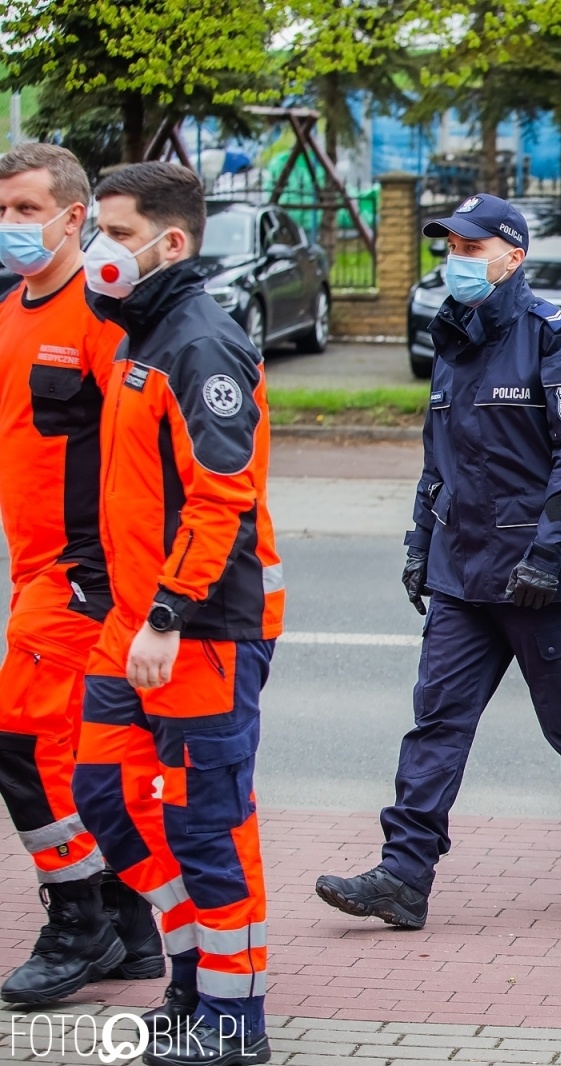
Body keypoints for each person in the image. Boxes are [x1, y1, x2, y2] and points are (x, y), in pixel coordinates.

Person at [316, 193, 561, 932]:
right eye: (449, 249)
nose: (455, 262)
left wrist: (547, 556)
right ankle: (404, 874)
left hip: (541, 579)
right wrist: (416, 546)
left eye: (470, 249)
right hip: (461, 572)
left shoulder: (554, 339)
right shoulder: (454, 339)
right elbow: (441, 462)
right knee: (436, 721)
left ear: (512, 257)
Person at [69, 161, 280, 1065]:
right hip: (138, 617)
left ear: (172, 242)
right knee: (107, 796)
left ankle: (234, 1026)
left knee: (205, 820)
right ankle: (192, 975)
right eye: (99, 232)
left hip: (198, 626)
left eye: (114, 234)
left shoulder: (199, 343)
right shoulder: (137, 335)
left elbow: (220, 497)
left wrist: (167, 612)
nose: (97, 251)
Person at [0, 144, 162, 1005]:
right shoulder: (7, 311)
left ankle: (79, 921)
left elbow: (143, 448)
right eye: (2, 210)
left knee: (25, 750)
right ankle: (129, 927)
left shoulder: (103, 315)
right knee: (73, 758)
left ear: (73, 219)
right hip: (32, 573)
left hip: (80, 577)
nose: (11, 226)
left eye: (27, 210)